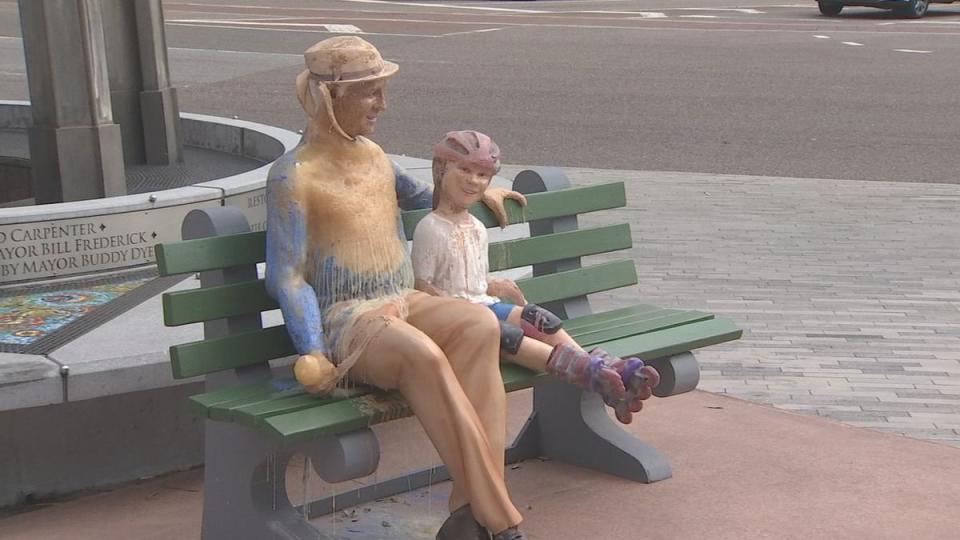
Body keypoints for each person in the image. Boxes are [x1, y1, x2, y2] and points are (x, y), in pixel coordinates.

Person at [265, 37, 527, 540]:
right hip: (351, 321)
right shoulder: (294, 177)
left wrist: (475, 188)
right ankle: (498, 520)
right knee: (424, 356)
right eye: (370, 93)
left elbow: (429, 197)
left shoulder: (377, 157)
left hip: (405, 302)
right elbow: (288, 274)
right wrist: (312, 351)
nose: (382, 106)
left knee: (477, 325)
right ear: (327, 98)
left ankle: (465, 512)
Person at [411, 130, 660, 425]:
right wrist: (464, 312)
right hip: (457, 322)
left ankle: (605, 368)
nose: (473, 181)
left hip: (484, 305)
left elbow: (469, 279)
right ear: (441, 170)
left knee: (540, 319)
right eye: (464, 170)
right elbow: (423, 287)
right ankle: (586, 372)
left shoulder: (476, 227)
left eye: (482, 175)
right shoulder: (431, 228)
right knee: (510, 337)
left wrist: (495, 285)